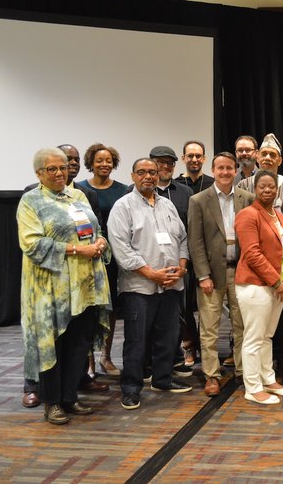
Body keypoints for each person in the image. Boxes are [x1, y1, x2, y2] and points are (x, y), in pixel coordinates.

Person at [18, 147, 111, 424]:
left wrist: (101, 241)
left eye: (63, 168)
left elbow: (94, 230)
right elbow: (32, 243)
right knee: (53, 346)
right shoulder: (30, 201)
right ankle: (52, 403)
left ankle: (70, 397)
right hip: (50, 290)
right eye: (52, 169)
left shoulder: (78, 196)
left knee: (78, 344)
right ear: (39, 173)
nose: (60, 173)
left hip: (84, 288)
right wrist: (75, 250)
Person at [108, 158, 193, 411]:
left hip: (171, 285)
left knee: (168, 337)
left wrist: (182, 267)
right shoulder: (122, 207)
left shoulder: (167, 204)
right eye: (142, 172)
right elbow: (121, 250)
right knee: (136, 340)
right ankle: (131, 389)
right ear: (133, 176)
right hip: (140, 288)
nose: (148, 177)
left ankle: (163, 379)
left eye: (153, 173)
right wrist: (152, 274)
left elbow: (182, 238)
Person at [187, 152, 254, 397]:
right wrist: (203, 275)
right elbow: (195, 242)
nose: (225, 172)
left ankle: (242, 371)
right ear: (213, 170)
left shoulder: (248, 198)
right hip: (212, 275)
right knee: (209, 327)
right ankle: (212, 375)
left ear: (235, 171)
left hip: (242, 273)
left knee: (242, 325)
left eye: (229, 168)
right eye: (220, 168)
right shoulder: (199, 200)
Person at [234, 169, 283, 405]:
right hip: (256, 285)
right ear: (255, 189)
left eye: (271, 186)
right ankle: (252, 387)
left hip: (278, 285)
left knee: (267, 336)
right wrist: (276, 282)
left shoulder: (279, 215)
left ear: (277, 189)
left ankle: (268, 379)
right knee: (253, 337)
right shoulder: (247, 214)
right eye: (262, 186)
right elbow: (252, 254)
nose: (267, 190)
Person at [76, 143, 129, 377]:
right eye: (99, 160)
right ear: (91, 163)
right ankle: (88, 360)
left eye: (108, 160)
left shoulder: (124, 190)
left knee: (110, 308)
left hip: (114, 257)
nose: (104, 164)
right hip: (89, 256)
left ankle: (106, 357)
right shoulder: (80, 190)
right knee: (89, 307)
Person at [148, 145, 197, 373]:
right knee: (151, 315)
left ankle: (175, 356)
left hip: (179, 265)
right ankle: (150, 361)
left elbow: (189, 231)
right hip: (148, 268)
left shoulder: (185, 192)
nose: (166, 167)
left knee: (179, 312)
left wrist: (183, 264)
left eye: (170, 163)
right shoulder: (134, 191)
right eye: (161, 162)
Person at [236, 133, 283, 213]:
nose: (268, 158)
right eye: (264, 154)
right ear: (257, 158)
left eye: (272, 155)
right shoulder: (242, 186)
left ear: (279, 161)